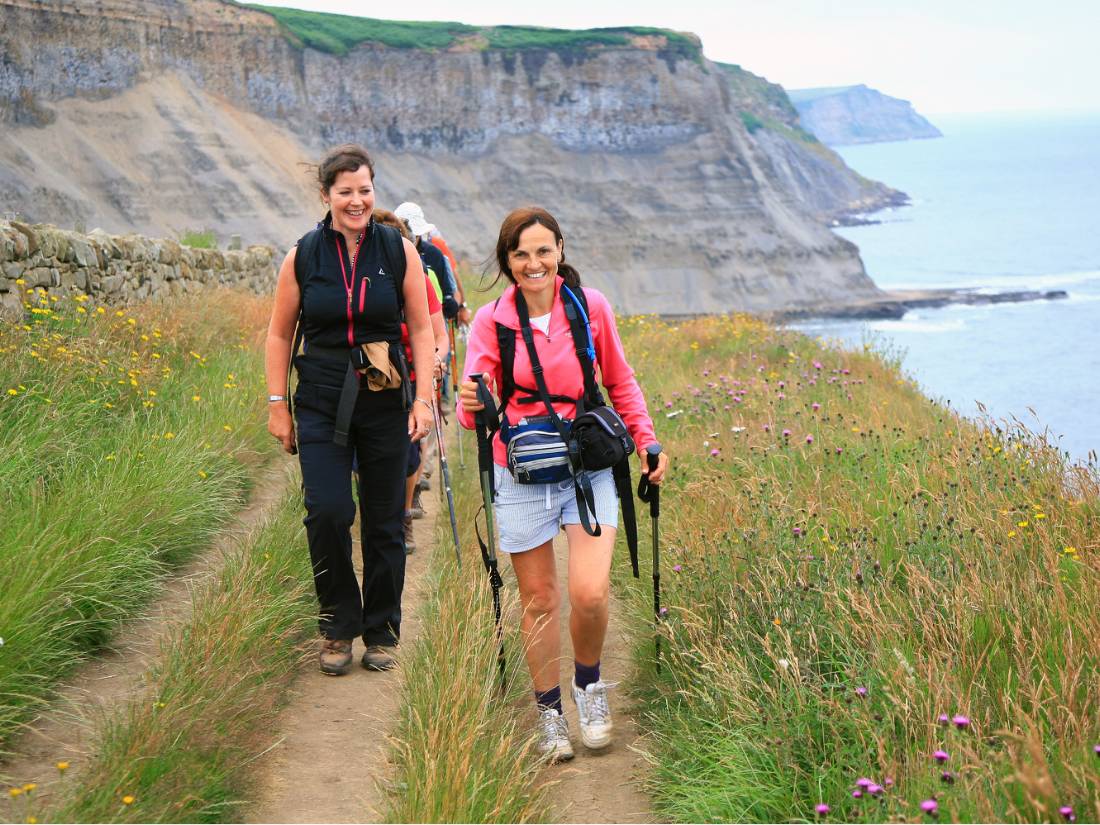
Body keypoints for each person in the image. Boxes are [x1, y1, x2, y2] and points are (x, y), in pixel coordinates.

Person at [457, 207, 669, 761]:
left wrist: (647, 443)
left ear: (560, 250)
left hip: (588, 467)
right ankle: (550, 713)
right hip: (522, 472)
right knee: (539, 599)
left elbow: (619, 380)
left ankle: (589, 688)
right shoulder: (491, 321)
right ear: (507, 261)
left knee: (591, 593)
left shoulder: (590, 307)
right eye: (521, 254)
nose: (534, 264)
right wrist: (471, 400)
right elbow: (471, 413)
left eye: (543, 251)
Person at [265, 144, 434, 676]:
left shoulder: (398, 250)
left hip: (385, 398)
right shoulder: (304, 255)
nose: (357, 201)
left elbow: (423, 327)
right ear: (326, 196)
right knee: (329, 511)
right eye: (346, 192)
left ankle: (381, 629)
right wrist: (277, 405)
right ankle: (337, 624)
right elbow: (278, 333)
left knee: (385, 518)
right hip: (319, 399)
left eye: (365, 190)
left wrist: (425, 399)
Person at [373, 208, 450, 550]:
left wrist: (435, 359)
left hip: (412, 384)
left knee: (407, 456)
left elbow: (437, 334)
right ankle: (381, 512)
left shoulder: (417, 277)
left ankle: (403, 514)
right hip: (373, 381)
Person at [394, 201, 471, 327]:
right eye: (404, 233)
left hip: (433, 323)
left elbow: (450, 287)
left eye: (412, 234)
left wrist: (457, 305)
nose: (410, 237)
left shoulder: (434, 253)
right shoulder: (387, 251)